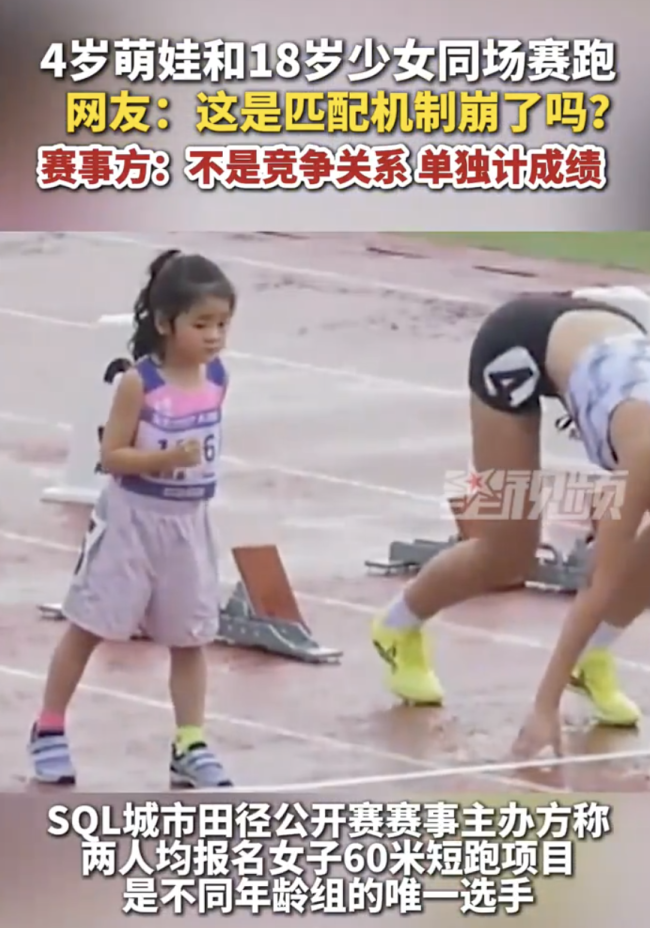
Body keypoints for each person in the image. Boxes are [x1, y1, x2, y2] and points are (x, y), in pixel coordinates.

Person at [371, 286, 650, 733]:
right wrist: (545, 708)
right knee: (508, 553)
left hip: (604, 341)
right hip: (517, 345)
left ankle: (592, 655)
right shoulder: (644, 457)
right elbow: (599, 583)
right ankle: (396, 627)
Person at [29, 248, 236, 788]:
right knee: (89, 627)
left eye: (222, 324)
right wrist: (161, 460)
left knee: (190, 638)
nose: (214, 336)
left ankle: (190, 743)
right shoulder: (139, 383)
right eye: (201, 324)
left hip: (189, 524)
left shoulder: (217, 376)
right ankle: (49, 727)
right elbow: (112, 456)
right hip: (132, 523)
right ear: (166, 323)